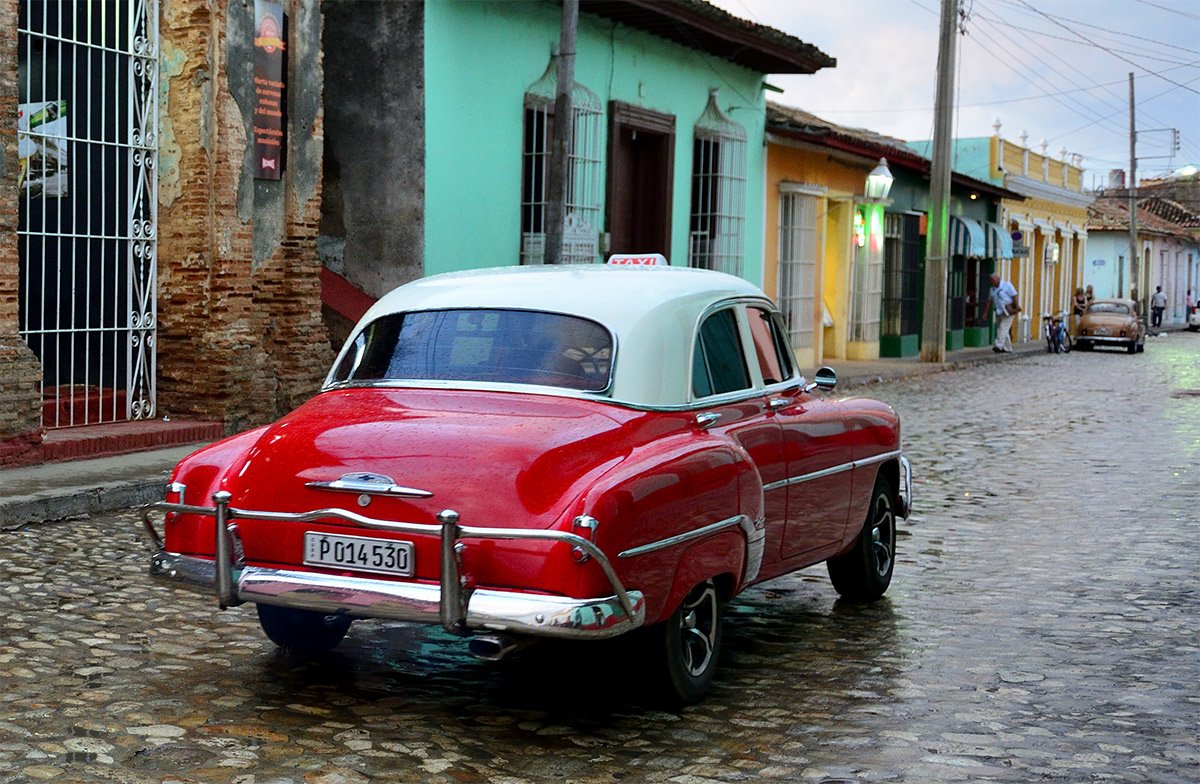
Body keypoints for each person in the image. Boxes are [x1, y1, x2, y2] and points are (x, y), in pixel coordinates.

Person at [982, 272, 1020, 353]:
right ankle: (1007, 348)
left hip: (1008, 311)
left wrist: (1016, 308)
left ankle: (998, 345)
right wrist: (986, 312)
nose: (991, 281)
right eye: (990, 280)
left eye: (992, 279)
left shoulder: (1007, 285)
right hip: (999, 311)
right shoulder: (992, 289)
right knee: (1003, 329)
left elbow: (1015, 295)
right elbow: (989, 301)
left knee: (1003, 327)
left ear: (998, 279)